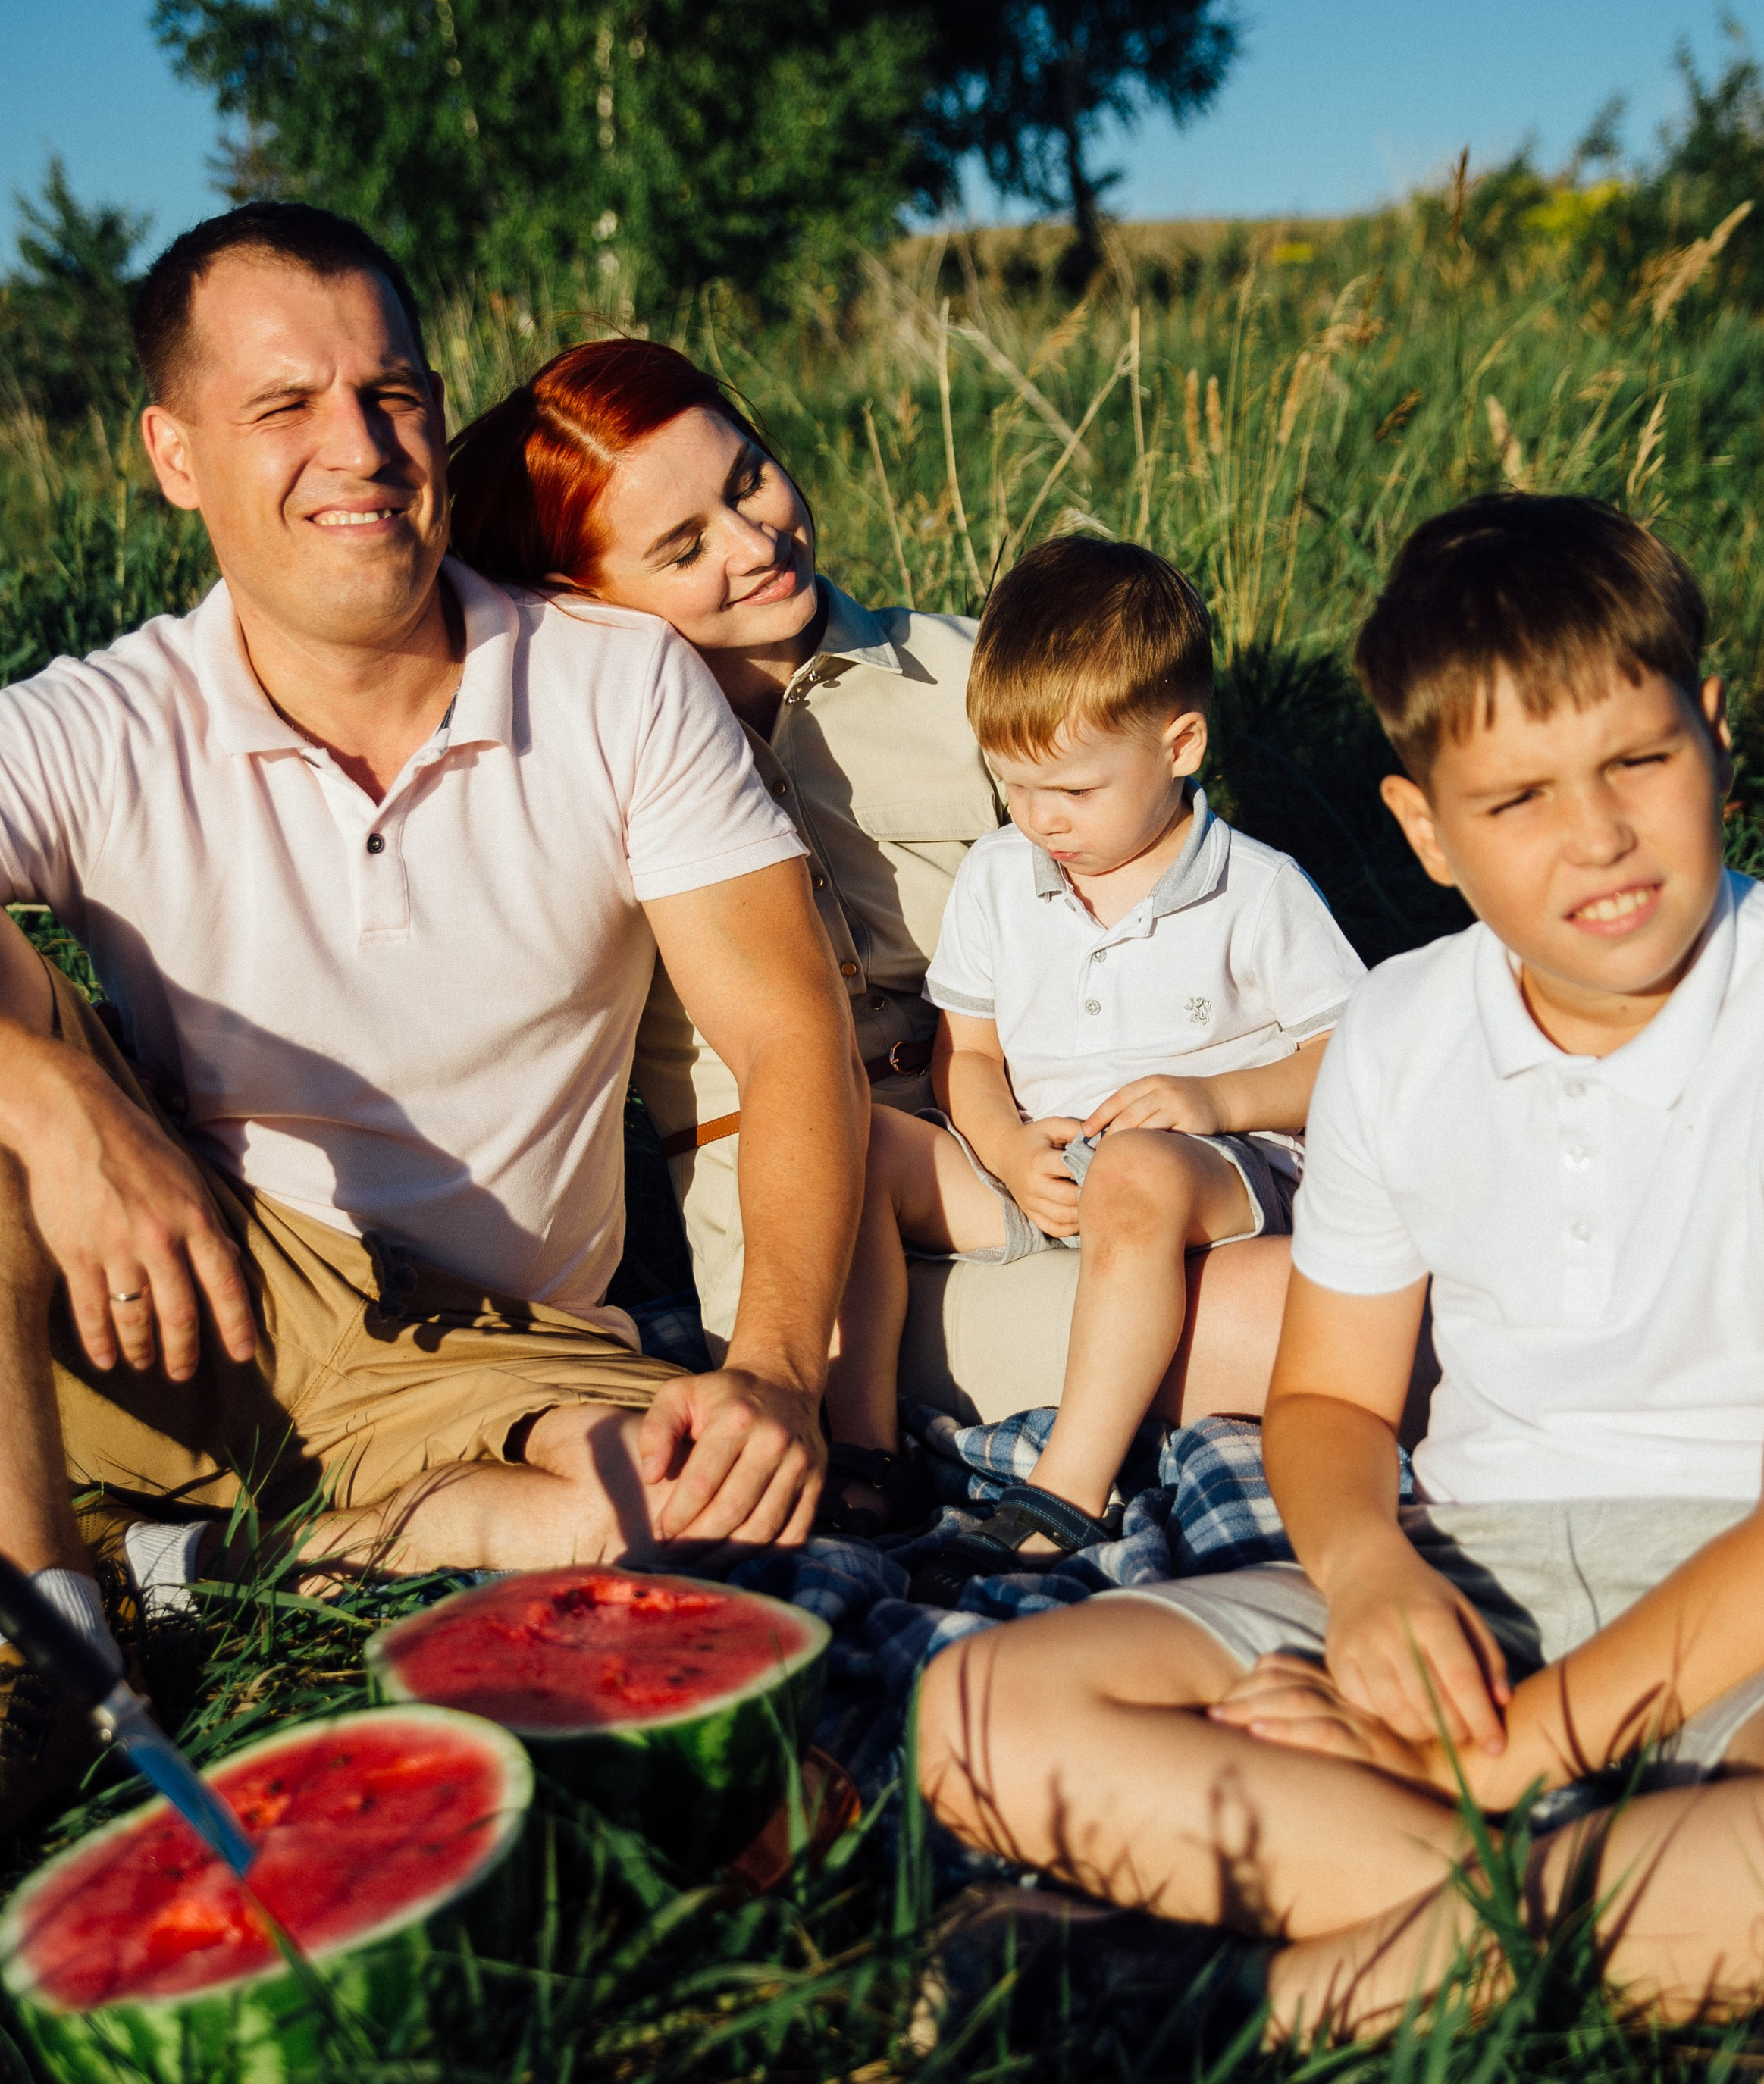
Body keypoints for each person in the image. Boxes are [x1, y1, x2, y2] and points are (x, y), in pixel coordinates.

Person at [919, 494, 1764, 2038]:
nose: (1593, 836)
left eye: (1637, 762)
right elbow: (1330, 1406)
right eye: (1515, 797)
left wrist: (1495, 1763)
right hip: (1471, 1569)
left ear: (1712, 736)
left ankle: (1242, 2011)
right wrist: (1373, 1579)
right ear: (1425, 832)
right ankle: (1656, 1914)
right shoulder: (1399, 1031)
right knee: (977, 1710)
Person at [0, 202, 863, 1832]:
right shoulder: (107, 719)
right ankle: (45, 1645)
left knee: (700, 1504)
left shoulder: (613, 683)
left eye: (390, 394)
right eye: (285, 407)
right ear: (174, 456)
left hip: (487, 1345)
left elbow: (783, 1031)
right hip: (188, 1283)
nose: (361, 447)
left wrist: (771, 1367)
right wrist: (57, 1105)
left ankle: (211, 1561)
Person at [445, 339, 1298, 1531]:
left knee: (1344, 1268)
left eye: (749, 480)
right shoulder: (574, 789)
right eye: (683, 548)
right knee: (1296, 1318)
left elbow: (1177, 916)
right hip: (819, 1269)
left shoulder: (969, 680)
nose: (757, 543)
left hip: (1063, 1158)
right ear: (581, 600)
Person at [828, 537, 1364, 1558]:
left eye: (1071, 791)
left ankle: (1071, 1483)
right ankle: (863, 1443)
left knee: (1136, 1170)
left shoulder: (1258, 890)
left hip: (1204, 1175)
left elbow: (1355, 1059)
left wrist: (1218, 1103)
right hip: (1046, 1173)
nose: (1041, 820)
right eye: (1016, 789)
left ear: (1181, 745)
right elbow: (969, 1054)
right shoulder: (1000, 874)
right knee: (861, 1144)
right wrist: (998, 1141)